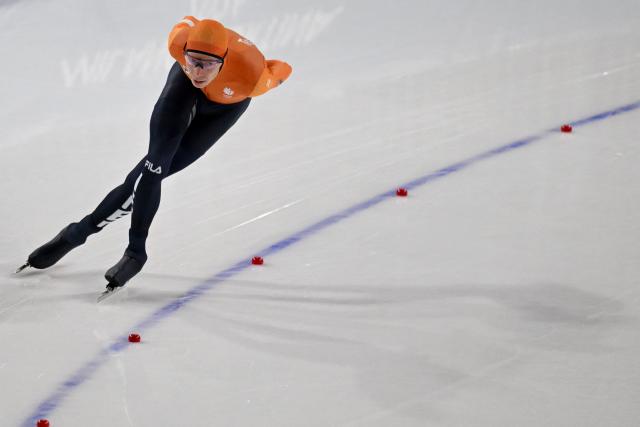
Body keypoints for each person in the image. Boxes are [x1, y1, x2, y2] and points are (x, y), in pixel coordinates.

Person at [17, 17, 292, 290]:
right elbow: (187, 22)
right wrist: (192, 61)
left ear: (224, 60)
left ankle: (77, 233)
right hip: (181, 93)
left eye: (207, 65)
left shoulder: (253, 75)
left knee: (150, 173)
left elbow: (282, 70)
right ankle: (133, 251)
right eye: (193, 61)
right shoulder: (178, 42)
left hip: (222, 111)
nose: (198, 72)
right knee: (152, 168)